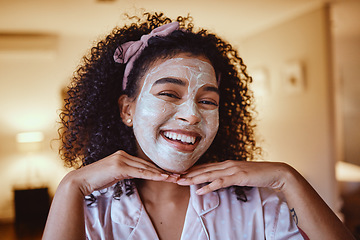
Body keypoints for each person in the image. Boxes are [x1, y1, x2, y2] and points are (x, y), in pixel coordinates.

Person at [42, 12, 354, 240]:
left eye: (207, 101)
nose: (192, 115)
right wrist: (72, 185)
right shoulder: (90, 211)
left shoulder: (254, 205)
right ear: (128, 109)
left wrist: (288, 178)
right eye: (168, 94)